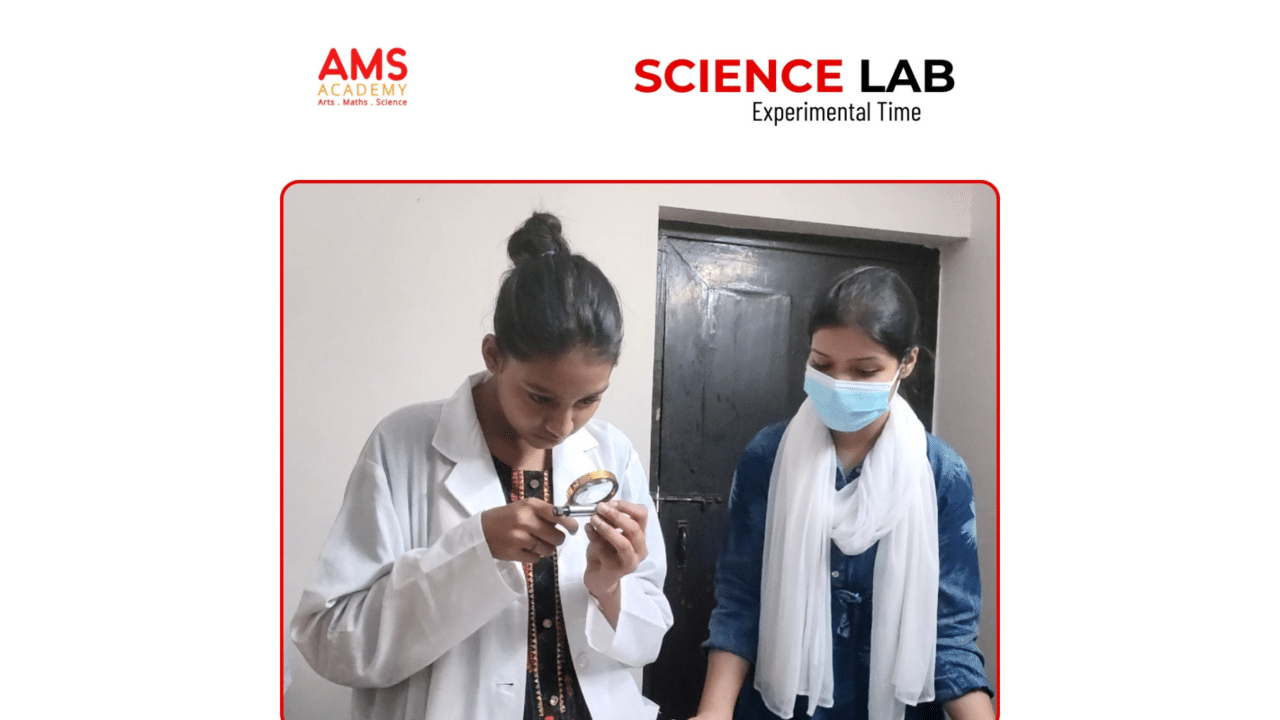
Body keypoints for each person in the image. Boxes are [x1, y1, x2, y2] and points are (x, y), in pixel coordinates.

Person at [291, 212, 673, 720]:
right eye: (540, 397)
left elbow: (648, 639)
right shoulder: (402, 445)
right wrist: (474, 553)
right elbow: (330, 641)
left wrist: (610, 587)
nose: (562, 425)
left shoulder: (612, 452)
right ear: (494, 355)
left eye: (588, 400)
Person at [690, 267, 994, 720]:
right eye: (822, 365)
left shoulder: (940, 474)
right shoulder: (768, 458)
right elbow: (740, 601)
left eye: (865, 371)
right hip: (784, 708)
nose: (838, 383)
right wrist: (713, 711)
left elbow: (948, 635)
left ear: (907, 362)